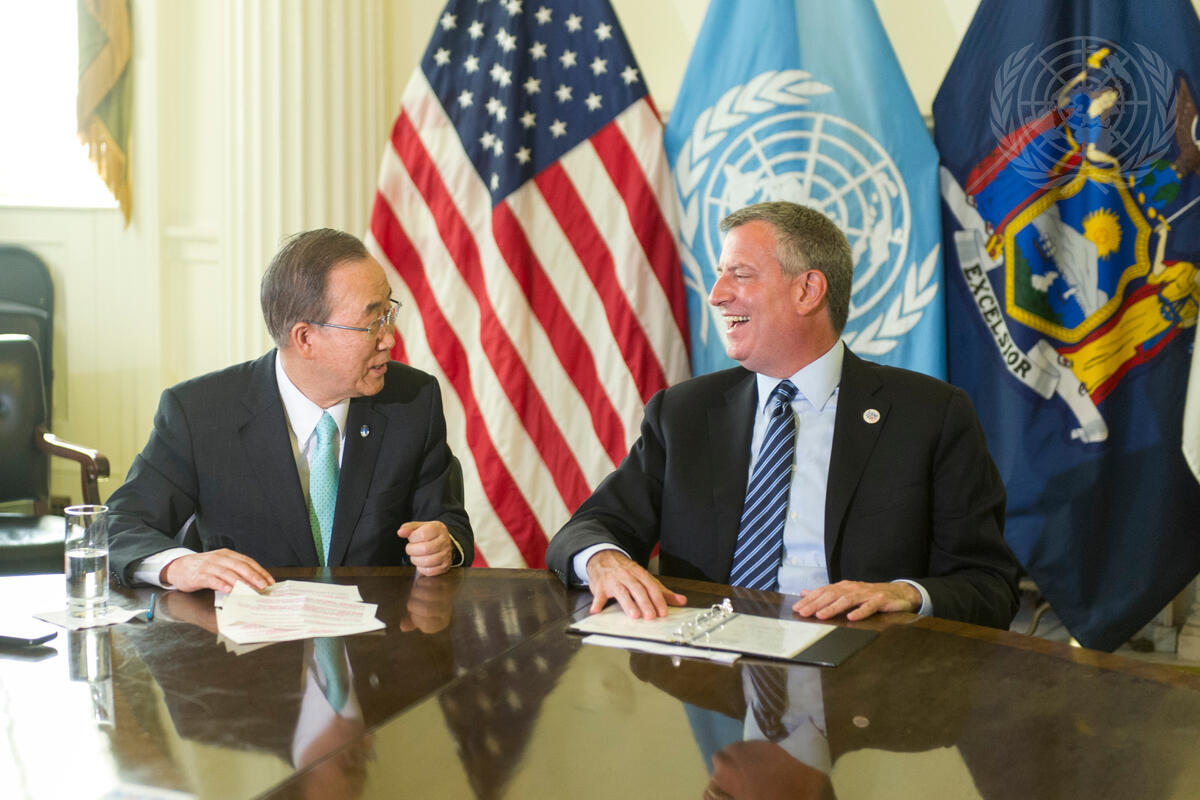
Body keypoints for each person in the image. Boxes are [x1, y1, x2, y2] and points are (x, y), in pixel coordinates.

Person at [546, 202, 1019, 629]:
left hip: (858, 672)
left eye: (740, 274)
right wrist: (604, 559)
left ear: (808, 290)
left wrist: (905, 594)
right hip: (706, 670)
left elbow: (989, 585)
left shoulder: (929, 415)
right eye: (719, 274)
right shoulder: (684, 412)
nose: (716, 295)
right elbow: (589, 528)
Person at [107, 228, 472, 592]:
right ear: (305, 338)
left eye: (388, 313)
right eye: (371, 323)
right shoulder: (199, 413)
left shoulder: (413, 400)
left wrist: (444, 544)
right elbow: (119, 525)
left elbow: (448, 521)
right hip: (248, 626)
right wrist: (179, 565)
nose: (389, 338)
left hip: (377, 622)